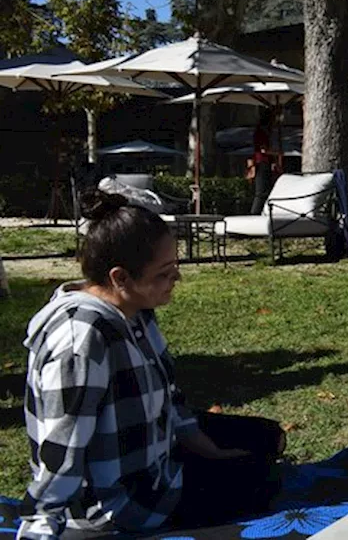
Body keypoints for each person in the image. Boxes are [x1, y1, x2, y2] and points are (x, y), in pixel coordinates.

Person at [19, 191, 285, 538]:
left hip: (152, 443)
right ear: (120, 278)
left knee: (269, 437)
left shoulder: (136, 311)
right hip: (128, 501)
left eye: (175, 269)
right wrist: (42, 523)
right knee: (264, 480)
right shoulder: (80, 340)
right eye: (164, 273)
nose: (176, 280)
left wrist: (209, 450)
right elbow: (62, 448)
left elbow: (170, 395)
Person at [249, 108, 279, 214]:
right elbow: (263, 150)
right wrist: (277, 153)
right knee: (261, 192)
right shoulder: (261, 132)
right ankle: (255, 213)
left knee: (265, 190)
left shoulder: (265, 131)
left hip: (264, 162)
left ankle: (260, 212)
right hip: (261, 163)